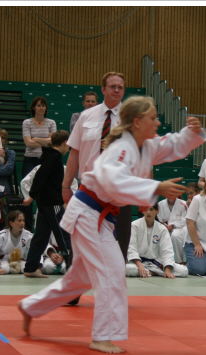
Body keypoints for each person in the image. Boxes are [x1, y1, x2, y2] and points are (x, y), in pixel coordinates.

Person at [18, 97, 206, 354]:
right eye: (152, 118)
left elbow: (169, 145)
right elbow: (112, 182)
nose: (157, 122)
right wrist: (155, 187)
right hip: (88, 214)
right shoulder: (121, 149)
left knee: (80, 278)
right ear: (137, 122)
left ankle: (31, 306)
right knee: (113, 271)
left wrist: (190, 134)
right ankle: (102, 336)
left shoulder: (144, 145)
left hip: (98, 217)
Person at [62, 72, 131, 260]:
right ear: (103, 89)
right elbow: (74, 153)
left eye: (120, 87)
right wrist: (66, 185)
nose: (116, 90)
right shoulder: (86, 116)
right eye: (112, 87)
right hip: (89, 186)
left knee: (120, 238)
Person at [22, 130, 72, 278]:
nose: (69, 147)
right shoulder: (54, 158)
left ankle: (31, 267)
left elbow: (40, 177)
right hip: (51, 202)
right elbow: (40, 177)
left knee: (41, 236)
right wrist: (31, 196)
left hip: (45, 202)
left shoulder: (50, 156)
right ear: (64, 143)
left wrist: (32, 196)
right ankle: (71, 269)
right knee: (63, 235)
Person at [126, 204, 188, 278]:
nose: (148, 212)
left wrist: (167, 269)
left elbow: (167, 250)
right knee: (128, 269)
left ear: (157, 211)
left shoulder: (162, 229)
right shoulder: (134, 226)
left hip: (156, 263)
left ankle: (150, 272)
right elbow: (131, 248)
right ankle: (153, 272)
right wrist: (139, 265)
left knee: (184, 271)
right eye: (146, 209)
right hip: (138, 262)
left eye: (151, 209)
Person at [21, 96, 57, 178]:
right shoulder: (27, 122)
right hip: (30, 159)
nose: (41, 108)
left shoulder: (51, 123)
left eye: (43, 106)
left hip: (46, 158)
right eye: (39, 105)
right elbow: (28, 143)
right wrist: (46, 142)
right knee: (28, 183)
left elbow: (52, 142)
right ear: (34, 108)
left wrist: (36, 139)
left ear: (46, 108)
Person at [0, 210, 33, 275]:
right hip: (4, 261)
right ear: (11, 223)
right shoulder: (1, 235)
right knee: (5, 269)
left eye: (23, 220)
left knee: (26, 269)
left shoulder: (28, 235)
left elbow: (35, 250)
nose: (22, 223)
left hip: (21, 261)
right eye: (19, 221)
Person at [157, 196, 189, 264]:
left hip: (180, 227)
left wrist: (173, 225)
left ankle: (180, 261)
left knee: (175, 236)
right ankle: (164, 260)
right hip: (165, 227)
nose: (171, 195)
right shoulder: (160, 204)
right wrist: (165, 226)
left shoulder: (183, 203)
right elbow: (160, 219)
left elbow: (186, 219)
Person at [0, 128, 16, 195]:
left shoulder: (10, 153)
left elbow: (8, 169)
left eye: (3, 138)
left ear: (6, 141)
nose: (0, 140)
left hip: (3, 184)